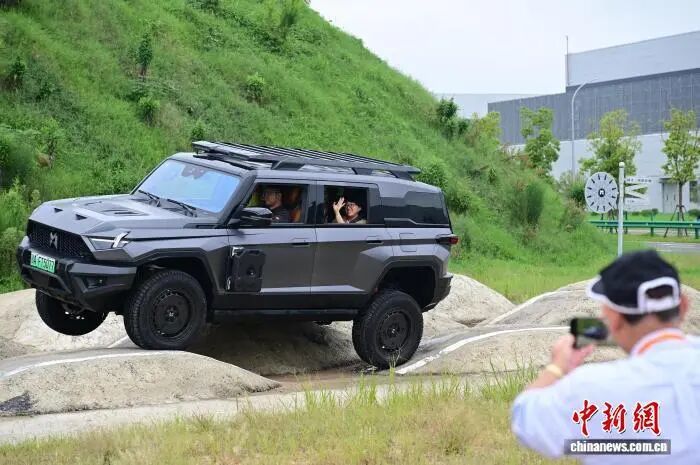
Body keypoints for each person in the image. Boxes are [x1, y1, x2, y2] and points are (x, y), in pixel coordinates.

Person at [511, 250, 699, 464]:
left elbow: (526, 421)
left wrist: (558, 366)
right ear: (683, 306)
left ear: (615, 319)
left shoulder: (591, 386)